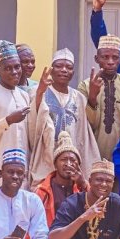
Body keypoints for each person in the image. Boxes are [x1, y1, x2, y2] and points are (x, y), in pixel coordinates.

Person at [27, 49, 101, 189]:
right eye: (59, 66)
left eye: (69, 67)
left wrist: (92, 97)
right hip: (45, 156)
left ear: (73, 73)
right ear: (52, 69)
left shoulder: (78, 97)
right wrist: (40, 93)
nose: (64, 70)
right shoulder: (37, 91)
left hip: (70, 160)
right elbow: (32, 122)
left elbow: (83, 133)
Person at [77, 35, 120, 161]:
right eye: (105, 57)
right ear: (97, 59)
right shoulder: (85, 86)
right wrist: (92, 96)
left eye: (115, 57)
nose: (110, 62)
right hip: (92, 154)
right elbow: (84, 125)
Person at [0, 41, 31, 187]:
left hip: (22, 168)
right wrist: (8, 121)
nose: (14, 72)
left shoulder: (24, 96)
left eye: (17, 67)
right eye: (8, 68)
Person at [34, 131, 87, 228]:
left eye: (72, 160)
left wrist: (83, 184)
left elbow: (97, 208)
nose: (68, 163)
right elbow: (32, 222)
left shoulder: (82, 188)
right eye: (63, 159)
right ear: (55, 164)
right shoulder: (42, 191)